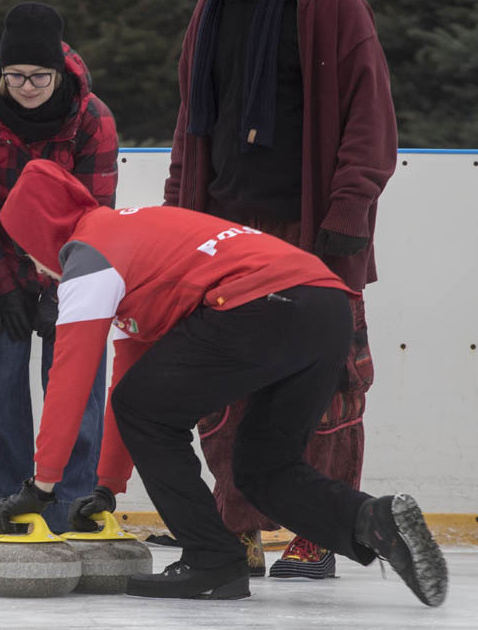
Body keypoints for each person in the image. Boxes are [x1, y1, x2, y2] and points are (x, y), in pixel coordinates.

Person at [0, 159, 447, 606]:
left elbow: (71, 379)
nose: (37, 267)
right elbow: (129, 376)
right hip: (325, 307)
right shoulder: (133, 235)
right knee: (263, 468)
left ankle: (212, 557)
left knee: (144, 408)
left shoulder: (87, 259)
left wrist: (41, 486)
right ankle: (373, 520)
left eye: (29, 252)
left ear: (41, 235)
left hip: (264, 303)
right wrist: (108, 486)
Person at [162, 0, 397, 578]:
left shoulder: (334, 9)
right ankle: (236, 525)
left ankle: (318, 533)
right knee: (224, 386)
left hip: (310, 231)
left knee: (326, 383)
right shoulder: (210, 12)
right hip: (224, 230)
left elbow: (371, 116)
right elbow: (191, 120)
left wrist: (349, 208)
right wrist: (177, 212)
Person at [0, 1, 118, 545]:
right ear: (0, 69)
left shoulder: (92, 118)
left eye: (38, 76)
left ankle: (73, 510)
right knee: (1, 389)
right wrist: (4, 285)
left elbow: (95, 216)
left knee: (77, 392)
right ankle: (5, 513)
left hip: (74, 272)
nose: (26, 86)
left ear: (58, 71)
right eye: (15, 75)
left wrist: (58, 290)